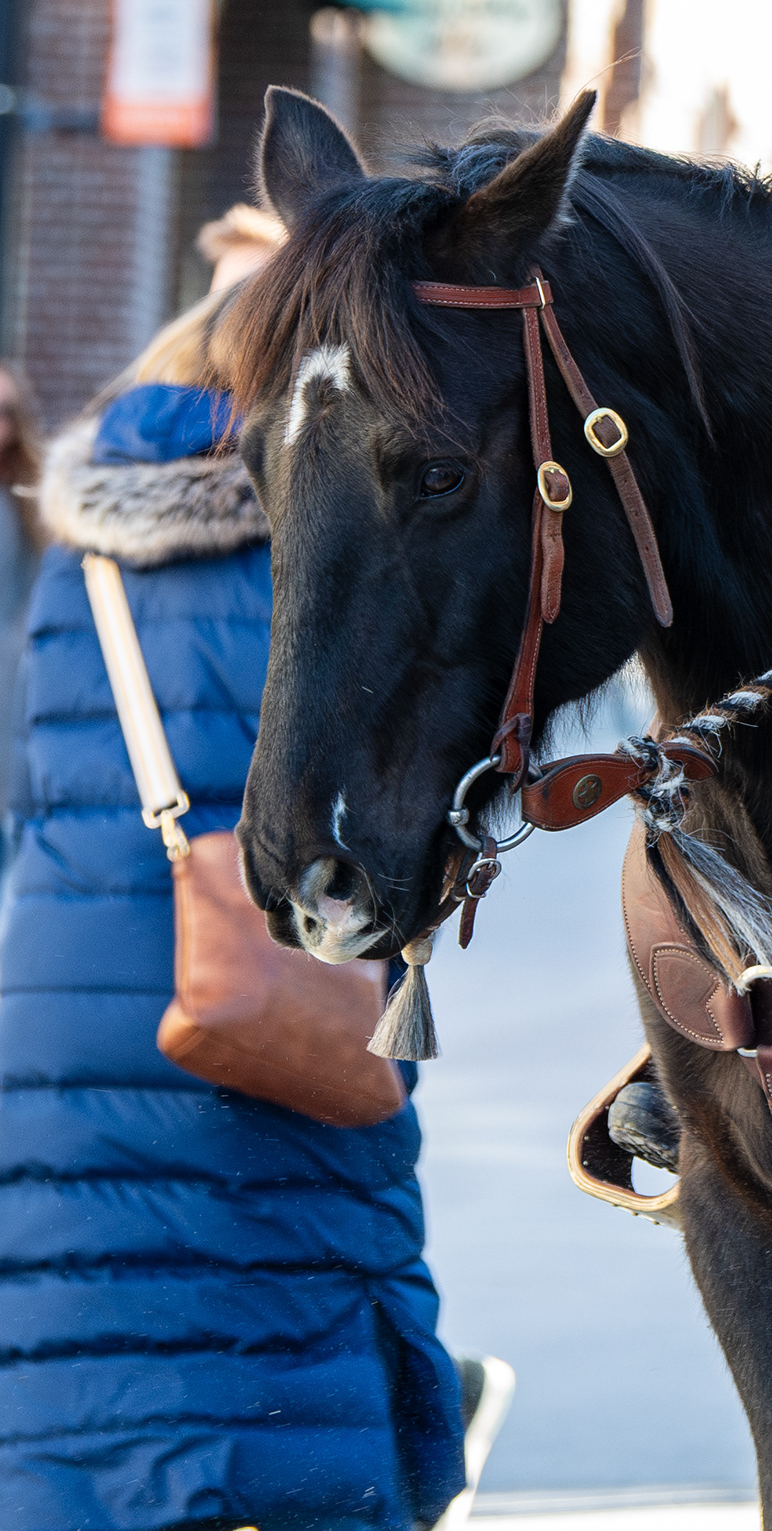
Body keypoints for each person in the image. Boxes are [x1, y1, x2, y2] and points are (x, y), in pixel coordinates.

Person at [0, 234, 478, 1530]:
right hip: (262, 991)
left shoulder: (79, 554)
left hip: (64, 1004)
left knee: (77, 1343)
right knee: (281, 1331)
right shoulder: (338, 539)